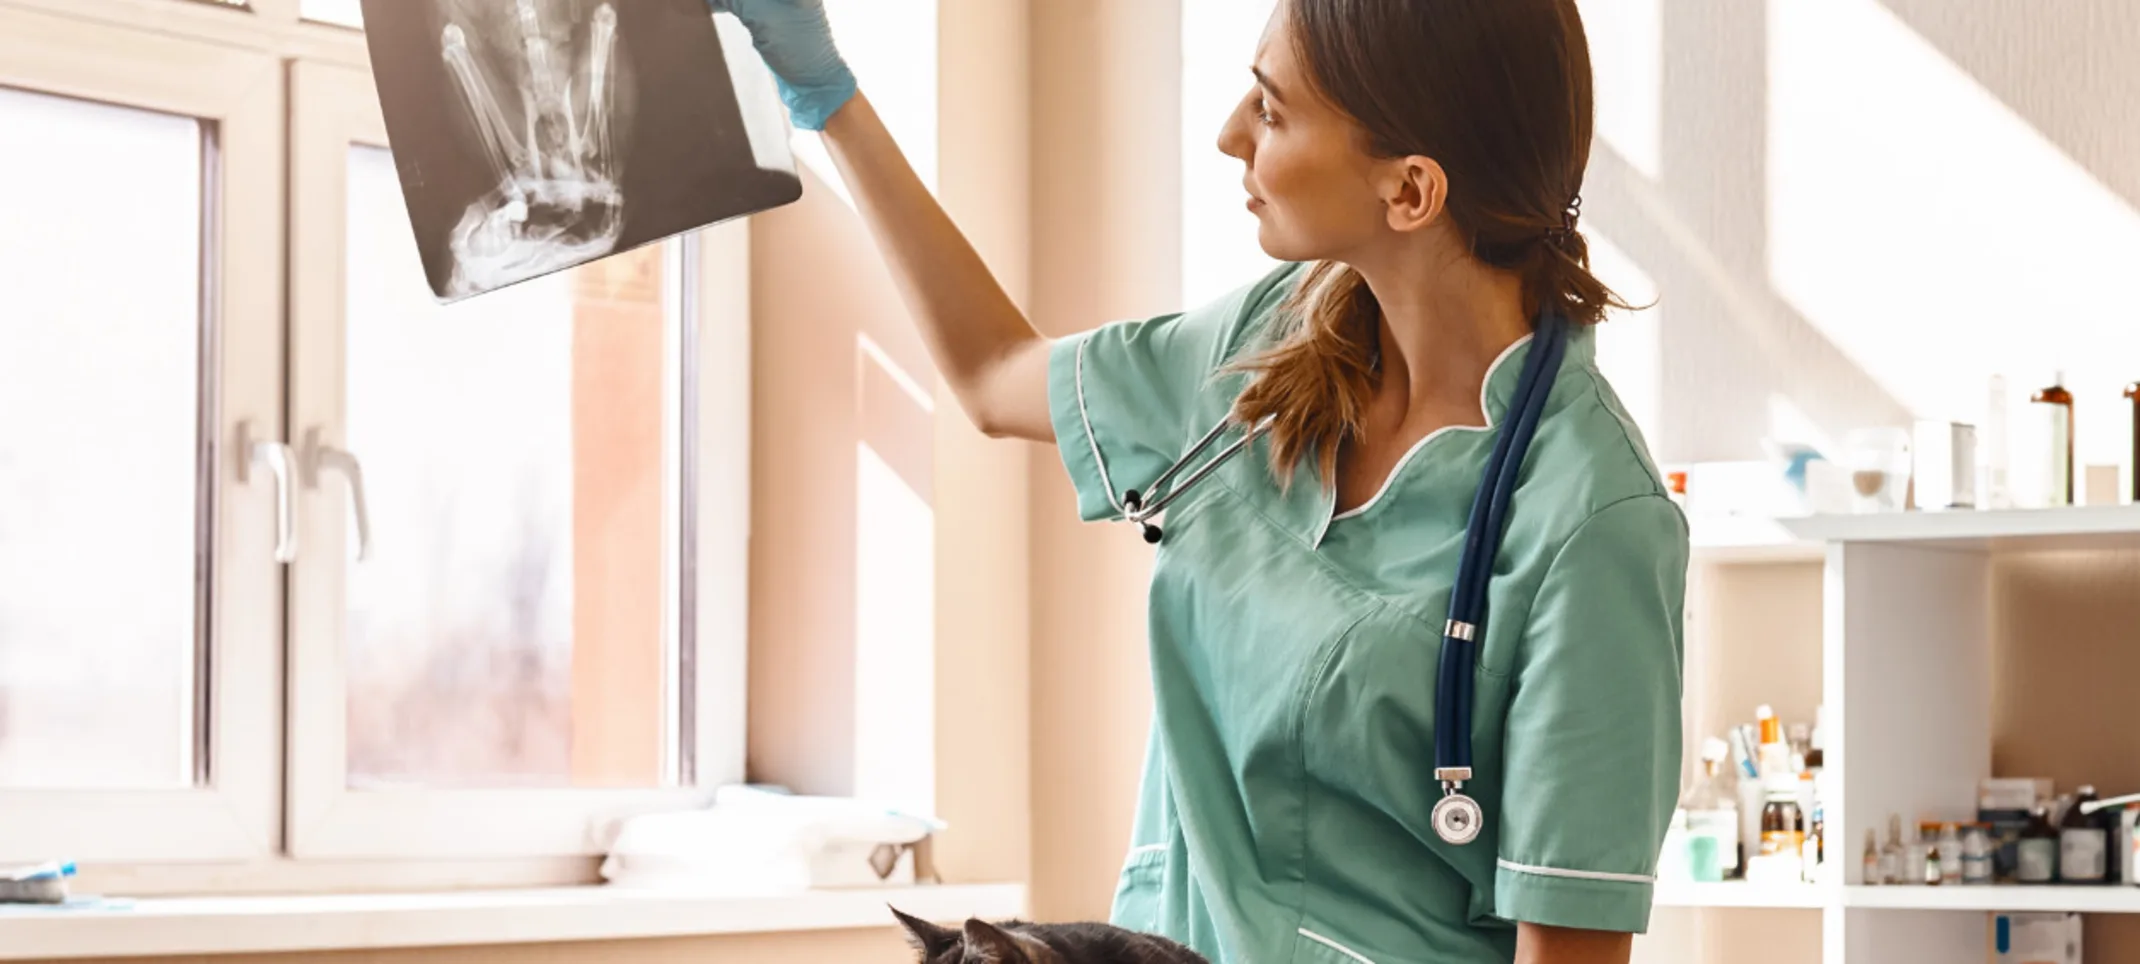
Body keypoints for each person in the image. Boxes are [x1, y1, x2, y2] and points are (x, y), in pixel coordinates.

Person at [711, 1, 1689, 961]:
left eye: (1270, 109)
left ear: (1410, 191)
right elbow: (993, 372)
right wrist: (830, 98)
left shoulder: (1592, 520)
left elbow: (1570, 946)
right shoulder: (1265, 347)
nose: (1230, 135)